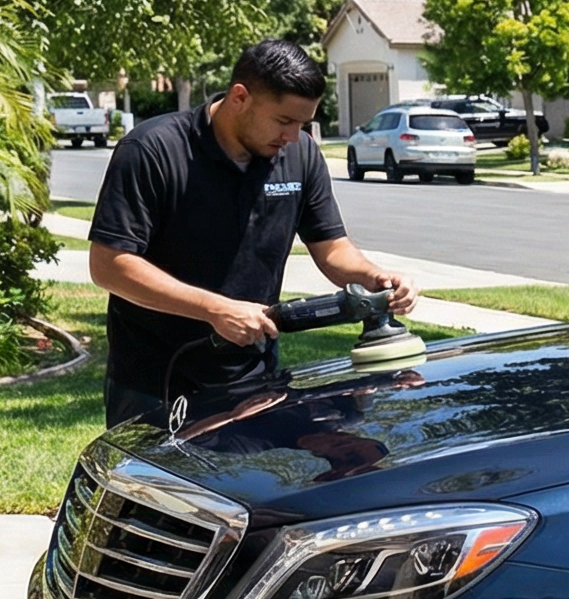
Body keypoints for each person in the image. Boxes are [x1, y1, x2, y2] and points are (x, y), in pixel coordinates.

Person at [88, 39, 416, 428]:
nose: (294, 137)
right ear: (240, 97)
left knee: (244, 488)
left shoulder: (300, 156)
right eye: (284, 121)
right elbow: (109, 265)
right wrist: (215, 310)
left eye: (303, 123)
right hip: (153, 381)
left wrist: (374, 277)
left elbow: (332, 249)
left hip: (254, 378)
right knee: (153, 491)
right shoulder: (153, 150)